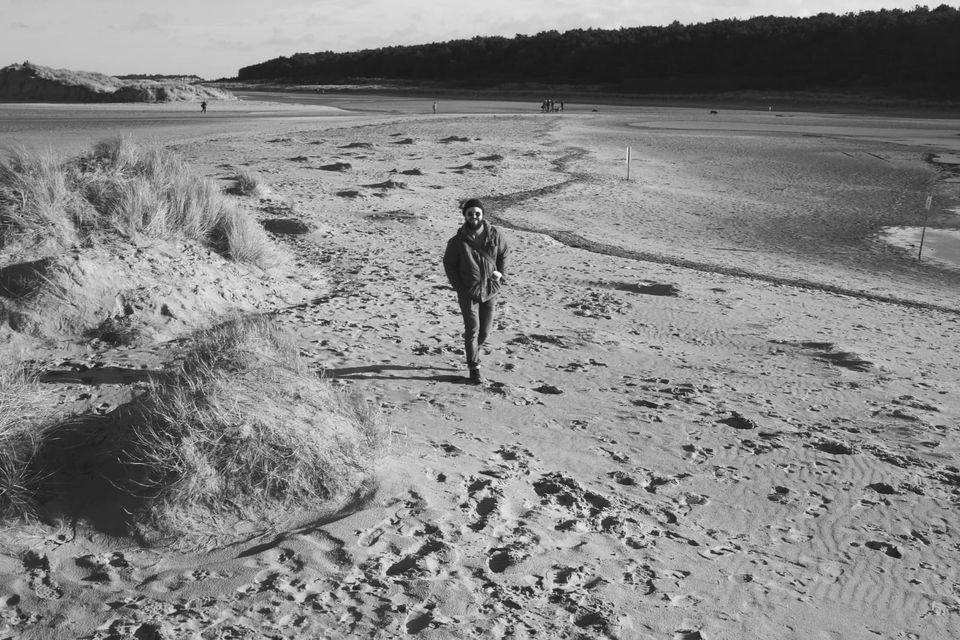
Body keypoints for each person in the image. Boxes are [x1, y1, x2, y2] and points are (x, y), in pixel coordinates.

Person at [443, 198, 509, 385]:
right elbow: (449, 264)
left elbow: (504, 254)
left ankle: (473, 351)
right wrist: (459, 287)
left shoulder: (495, 235)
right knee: (472, 330)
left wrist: (501, 275)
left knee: (485, 331)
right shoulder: (457, 241)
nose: (474, 217)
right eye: (470, 213)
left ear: (482, 215)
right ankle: (474, 369)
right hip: (467, 292)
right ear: (464, 216)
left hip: (490, 290)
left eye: (477, 213)